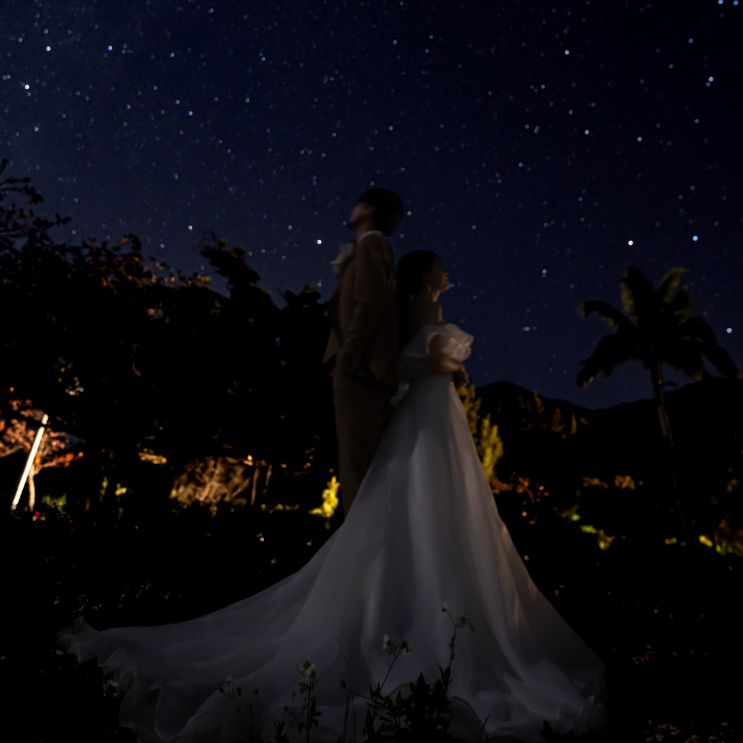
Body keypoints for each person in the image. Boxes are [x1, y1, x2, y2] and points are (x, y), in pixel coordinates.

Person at [58, 245, 606, 741]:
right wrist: (455, 368)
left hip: (431, 412)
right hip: (431, 412)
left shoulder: (418, 307)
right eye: (441, 266)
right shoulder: (424, 306)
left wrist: (447, 369)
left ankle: (420, 591)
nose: (448, 273)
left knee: (427, 497)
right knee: (434, 496)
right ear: (425, 275)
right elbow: (417, 358)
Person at [323, 187, 403, 516]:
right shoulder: (371, 248)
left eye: (358, 204)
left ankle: (363, 545)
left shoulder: (372, 245)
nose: (352, 209)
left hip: (360, 369)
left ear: (368, 209)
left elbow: (369, 304)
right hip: (361, 369)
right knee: (357, 464)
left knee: (357, 468)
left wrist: (347, 359)